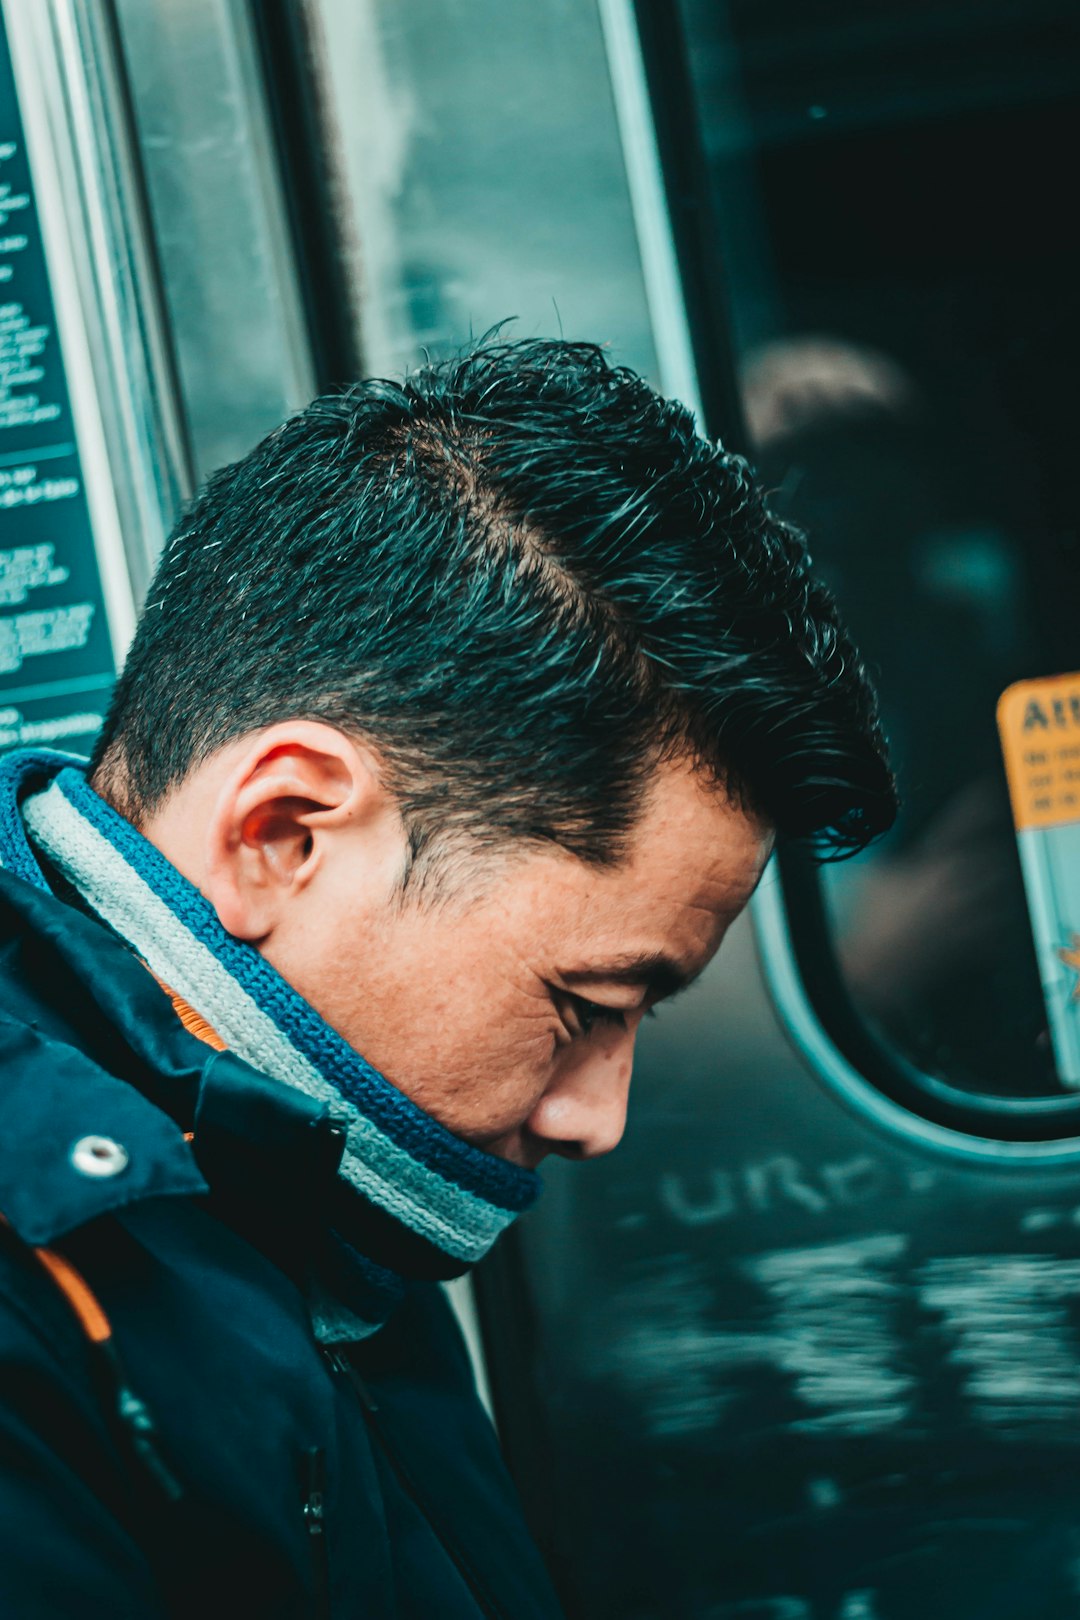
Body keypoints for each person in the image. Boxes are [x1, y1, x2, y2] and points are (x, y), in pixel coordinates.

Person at [0, 338, 895, 1616]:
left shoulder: (315, 1179)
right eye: (585, 1008)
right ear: (285, 836)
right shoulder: (74, 1262)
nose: (599, 1116)